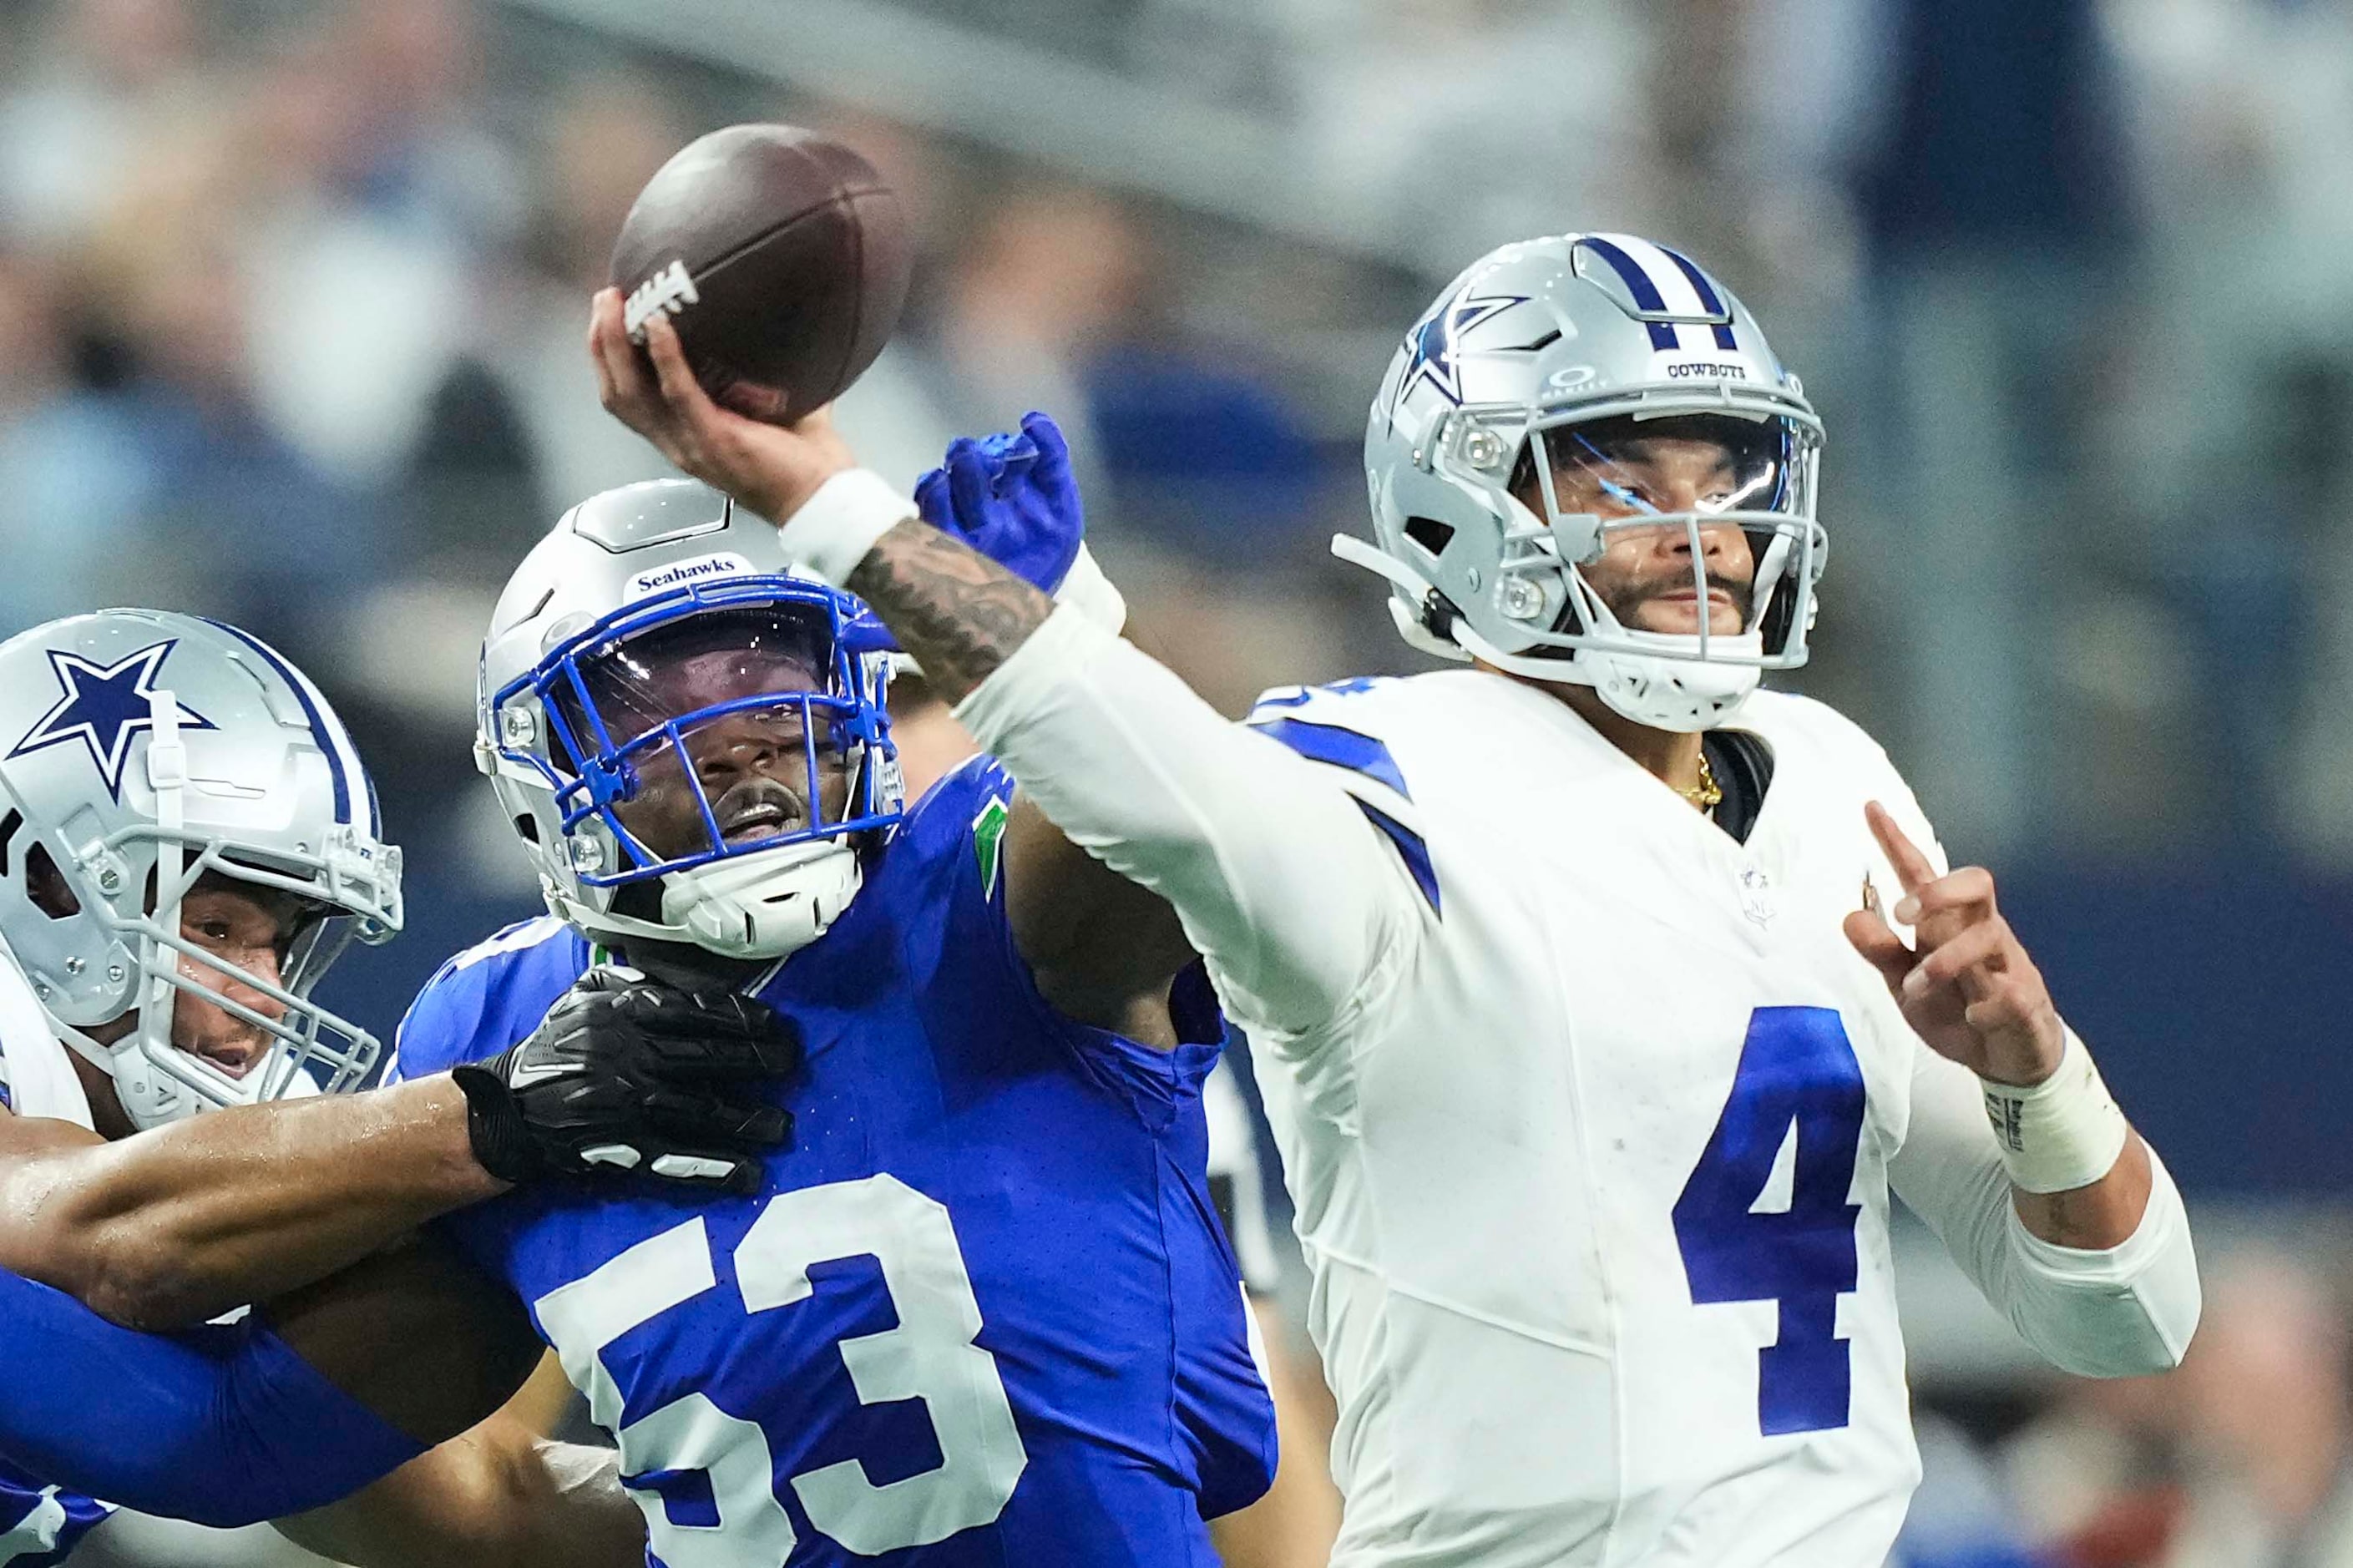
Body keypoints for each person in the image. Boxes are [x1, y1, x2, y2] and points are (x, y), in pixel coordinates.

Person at [586, 229, 2203, 1568]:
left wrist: (2030, 1074)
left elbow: (2127, 1324)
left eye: (1720, 471)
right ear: (1461, 494)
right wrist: (831, 498)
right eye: (1616, 477)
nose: (1694, 530)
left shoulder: (1828, 772)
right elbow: (1141, 771)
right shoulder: (1379, 778)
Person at [0, 480, 1278, 1565]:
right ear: (543, 774)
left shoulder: (976, 890)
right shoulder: (497, 1027)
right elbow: (247, 1441)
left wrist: (1042, 645)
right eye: (659, 698)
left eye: (771, 670)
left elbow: (1159, 825)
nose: (741, 731)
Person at [0, 607, 793, 1565]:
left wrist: (814, 1515)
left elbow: (483, 1505)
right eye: (213, 929)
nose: (260, 1002)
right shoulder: (137, 1193)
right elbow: (92, 1239)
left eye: (282, 946)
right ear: (43, 883)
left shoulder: (199, 1159)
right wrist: (501, 1117)